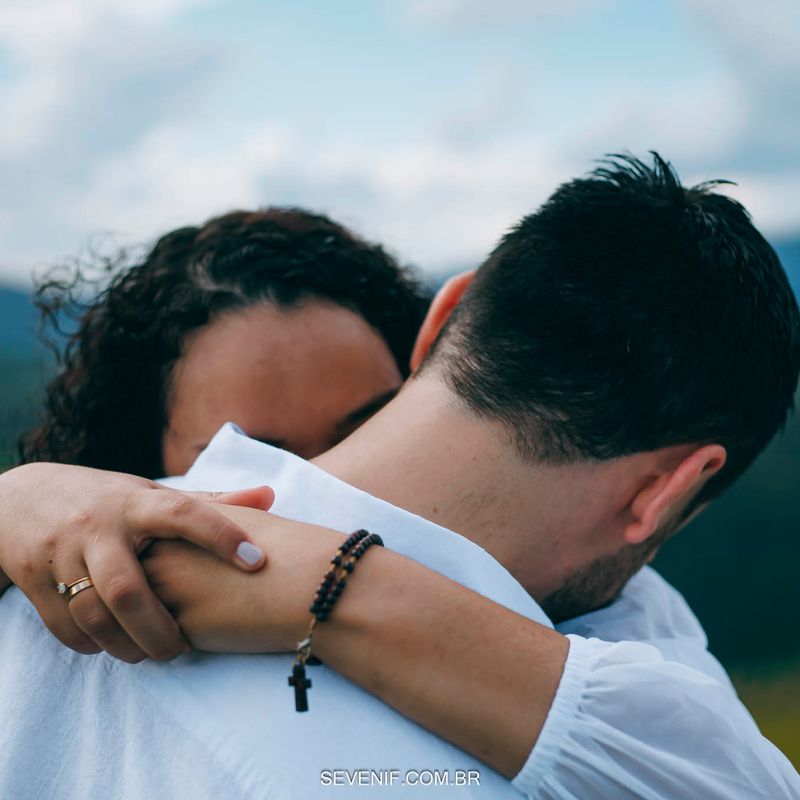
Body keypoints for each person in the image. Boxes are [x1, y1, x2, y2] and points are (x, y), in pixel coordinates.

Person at [1, 154, 799, 798]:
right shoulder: (609, 740)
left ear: (445, 317)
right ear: (668, 490)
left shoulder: (37, 598)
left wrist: (330, 585)